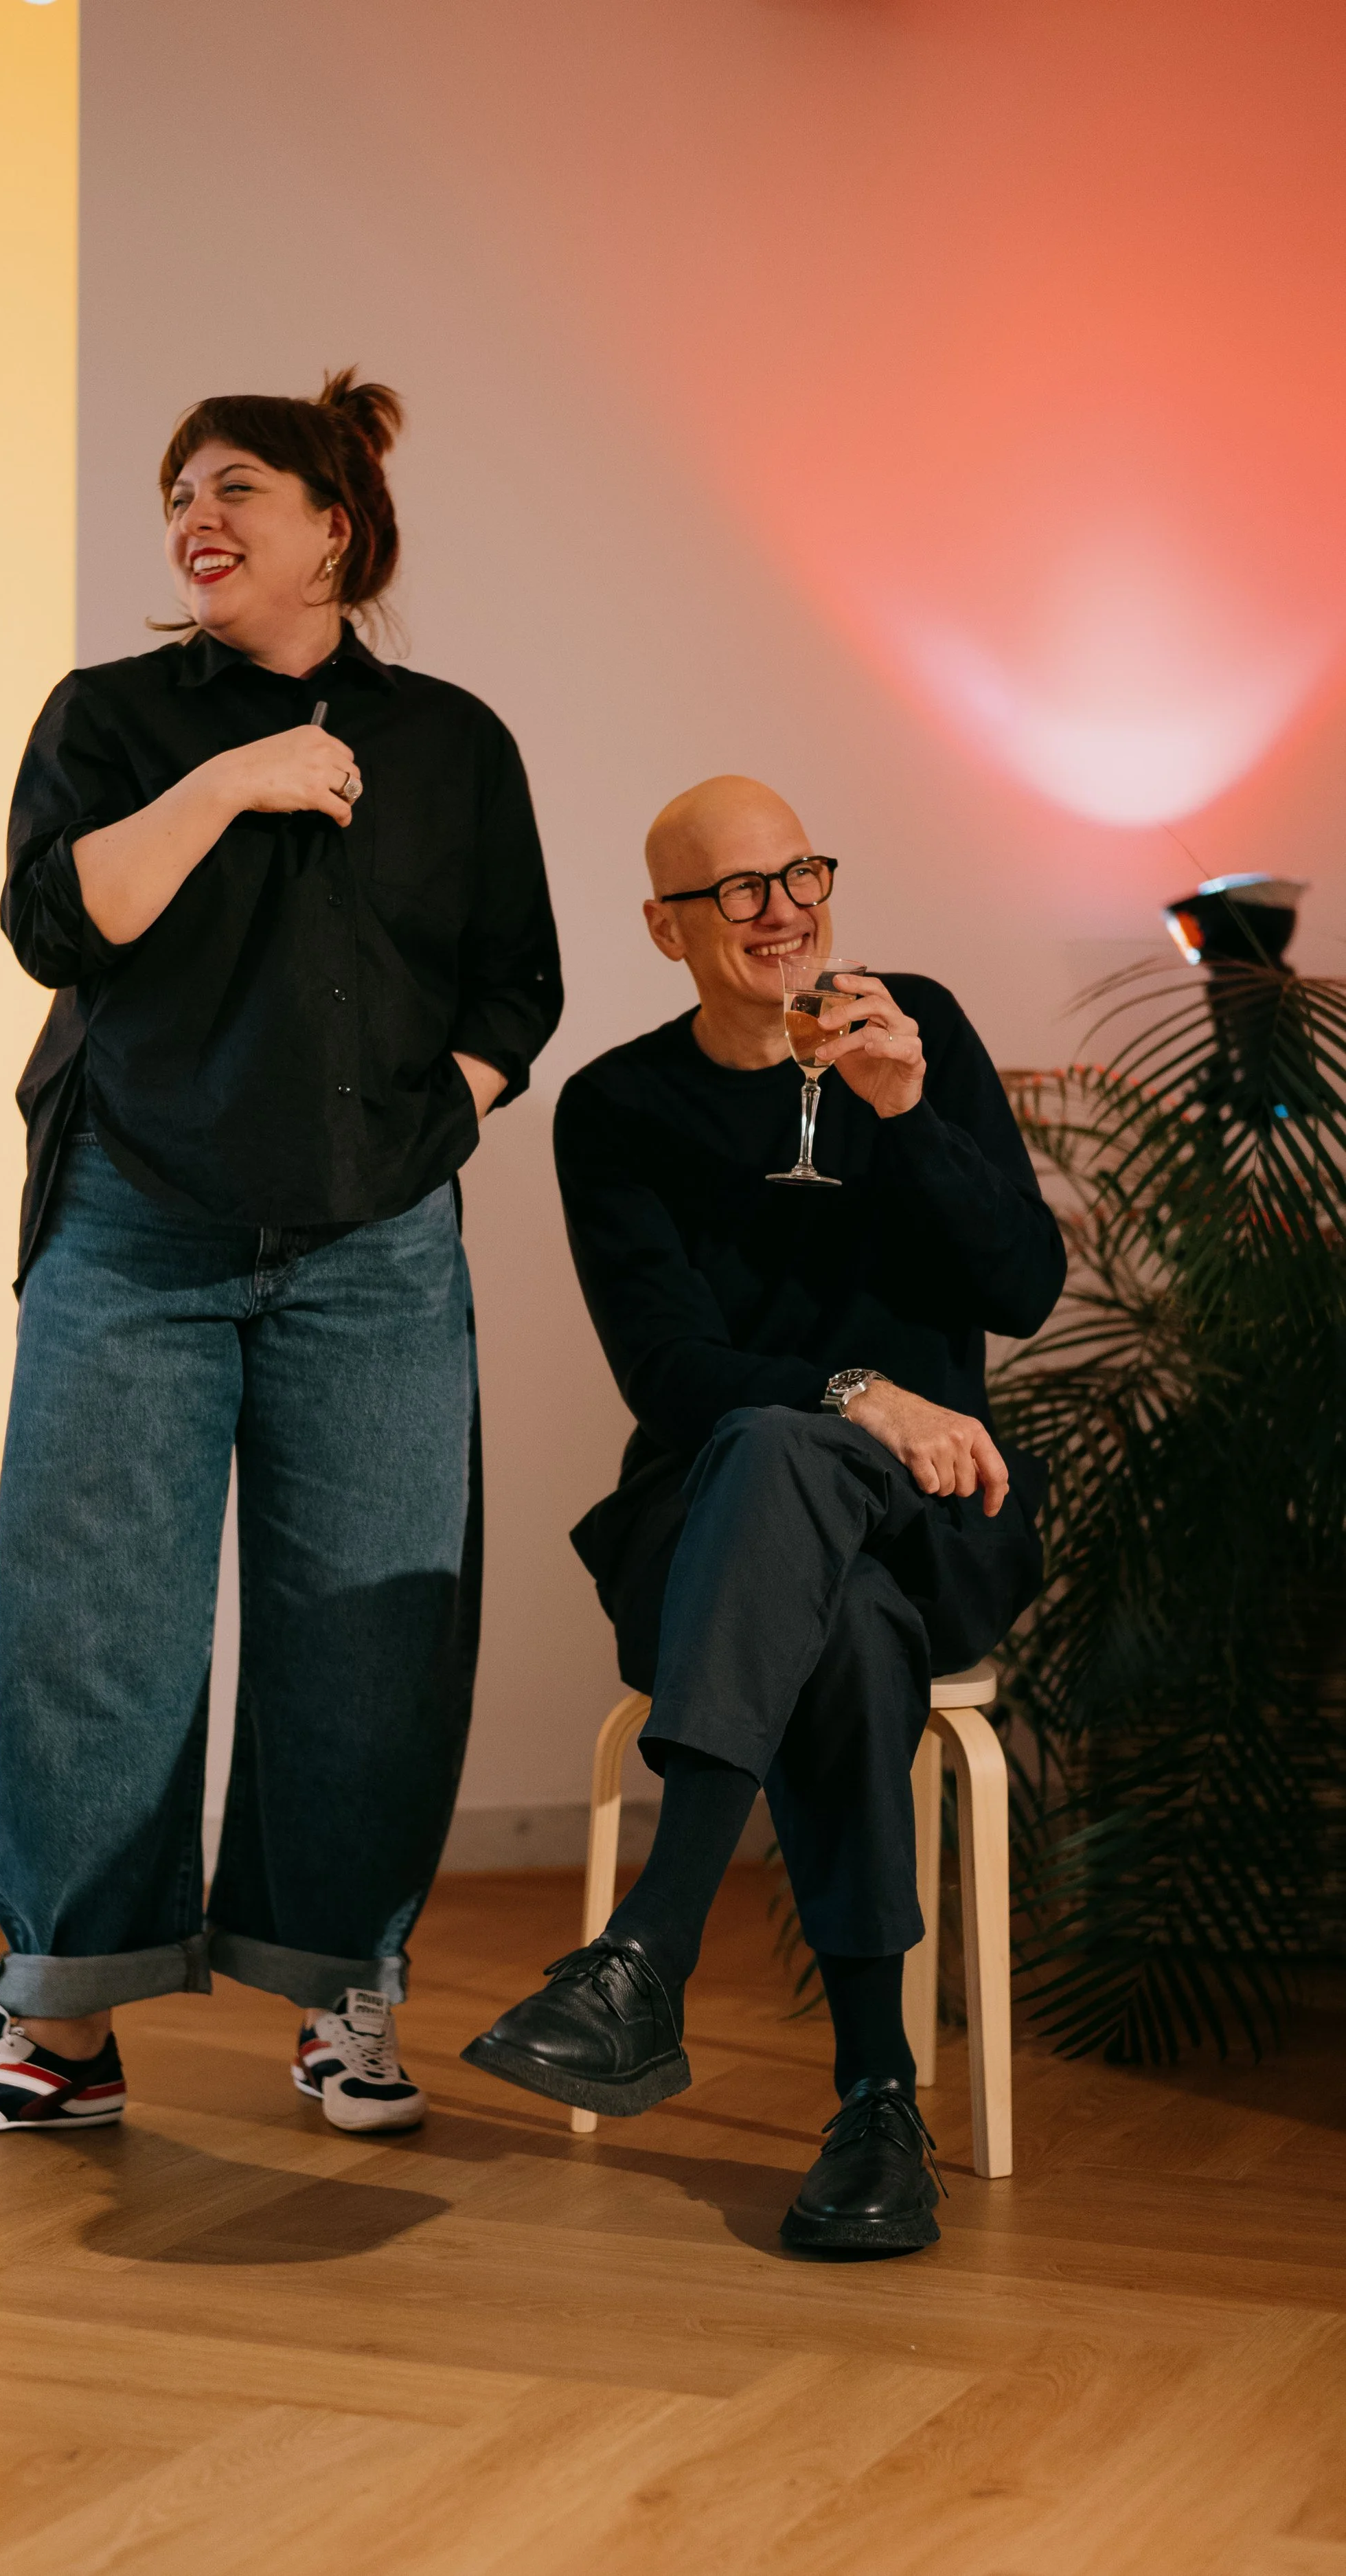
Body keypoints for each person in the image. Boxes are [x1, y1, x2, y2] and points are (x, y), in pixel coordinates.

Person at [0, 370, 561, 2148]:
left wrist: (430, 1121)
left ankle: (342, 1999)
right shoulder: (111, 716)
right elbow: (48, 921)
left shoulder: (451, 742)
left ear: (337, 521)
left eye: (238, 481)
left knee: (368, 1639)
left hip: (372, 1257)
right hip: (135, 1228)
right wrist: (230, 777)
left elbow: (514, 983)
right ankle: (58, 2036)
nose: (198, 508)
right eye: (180, 487)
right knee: (92, 1633)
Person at [463, 776, 1062, 2255]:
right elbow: (671, 1374)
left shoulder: (911, 1031)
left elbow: (1022, 1289)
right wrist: (858, 1390)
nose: (782, 907)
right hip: (710, 1521)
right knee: (816, 1565)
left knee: (835, 1538)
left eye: (799, 872)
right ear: (665, 929)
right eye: (736, 889)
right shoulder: (615, 1110)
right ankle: (875, 2105)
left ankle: (647, 1954)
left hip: (934, 1518)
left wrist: (908, 1116)